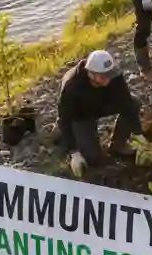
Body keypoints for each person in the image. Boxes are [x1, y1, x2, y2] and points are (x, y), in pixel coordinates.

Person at [58, 49, 142, 178]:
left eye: (109, 75)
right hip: (81, 114)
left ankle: (117, 146)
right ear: (91, 73)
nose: (108, 79)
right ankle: (62, 135)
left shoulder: (114, 75)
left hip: (102, 104)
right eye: (103, 76)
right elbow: (64, 119)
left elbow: (126, 102)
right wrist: (74, 153)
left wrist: (139, 135)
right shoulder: (72, 86)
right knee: (92, 157)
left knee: (134, 103)